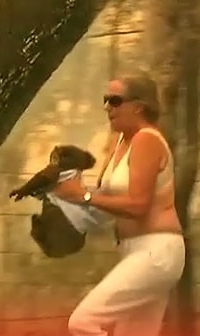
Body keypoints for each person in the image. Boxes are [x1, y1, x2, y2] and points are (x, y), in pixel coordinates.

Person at [52, 72, 185, 336]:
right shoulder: (123, 142)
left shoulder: (147, 140)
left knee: (82, 322)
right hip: (135, 251)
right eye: (105, 100)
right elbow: (108, 200)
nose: (107, 108)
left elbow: (138, 206)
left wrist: (83, 196)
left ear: (139, 106)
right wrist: (66, 194)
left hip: (156, 251)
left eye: (115, 101)